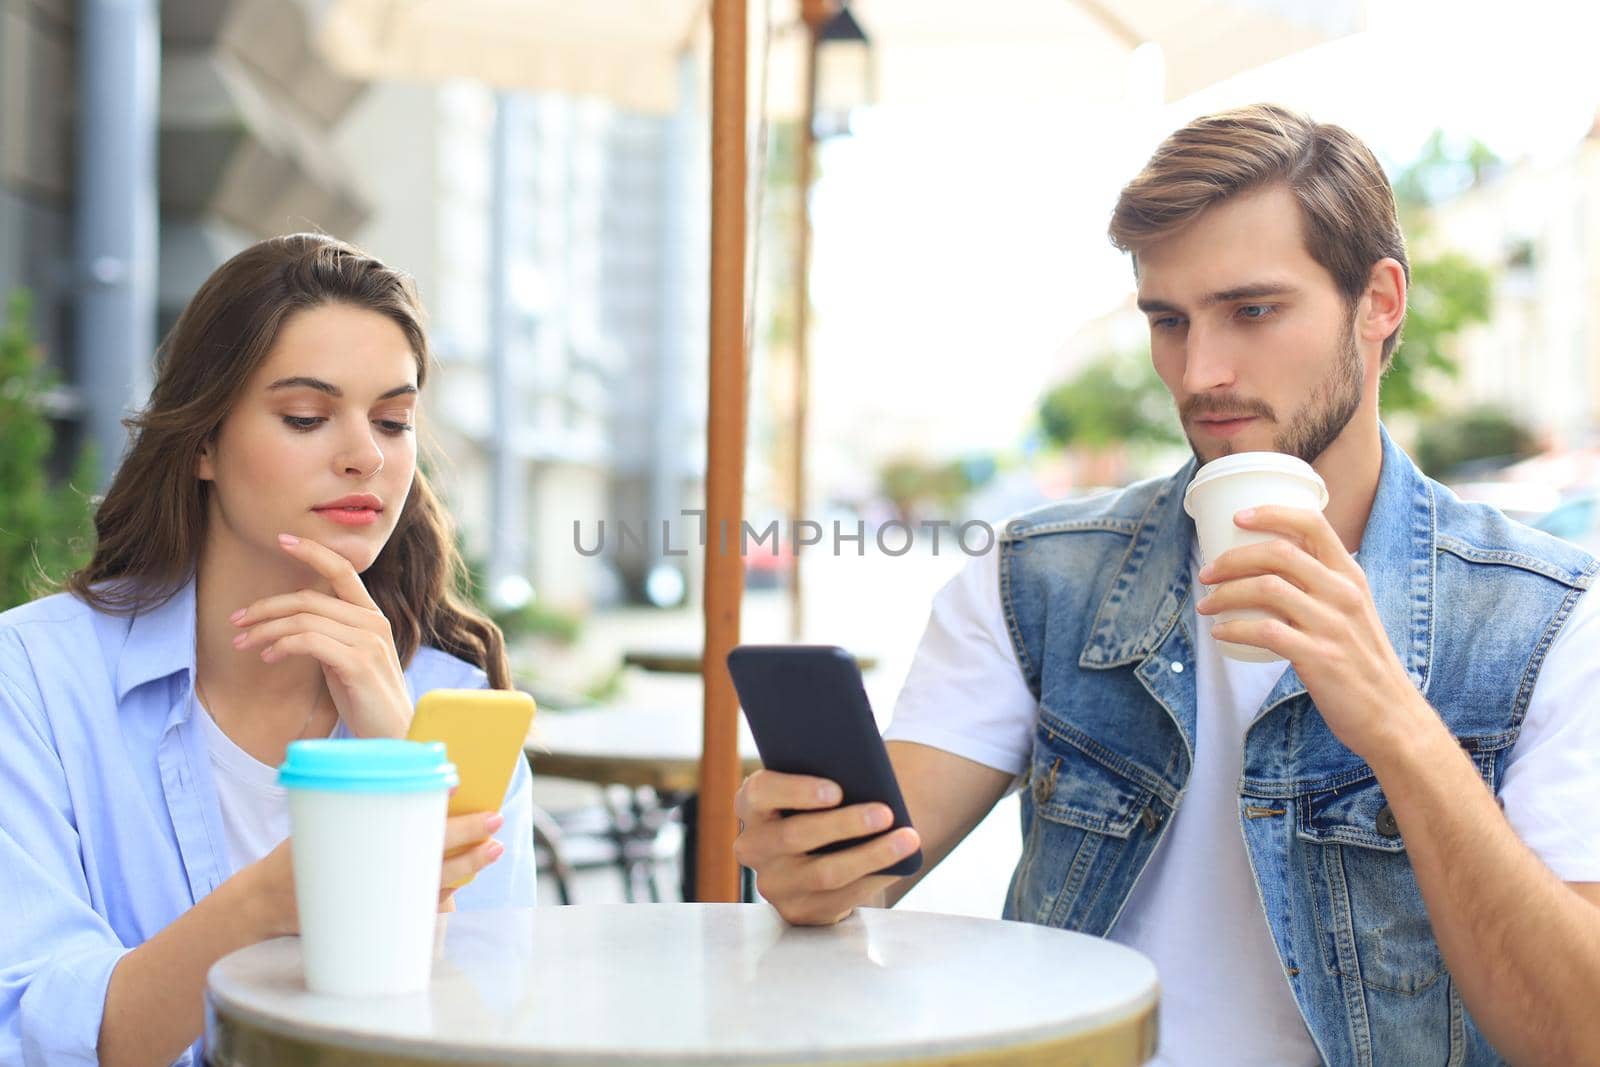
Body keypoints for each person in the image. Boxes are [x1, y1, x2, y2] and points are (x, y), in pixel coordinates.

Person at [735, 104, 1600, 1065]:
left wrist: (1397, 723)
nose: (1202, 373)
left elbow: (1576, 1030)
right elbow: (861, 869)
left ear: (1379, 301)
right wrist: (805, 862)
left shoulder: (1548, 617)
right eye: (1168, 321)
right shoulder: (1041, 579)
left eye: (1253, 310)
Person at [0, 234, 536, 1067]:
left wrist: (401, 758)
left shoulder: (452, 710)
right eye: (306, 417)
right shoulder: (33, 678)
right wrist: (271, 900)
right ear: (203, 442)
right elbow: (41, 1034)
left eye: (393, 421)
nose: (365, 453)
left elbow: (484, 1037)